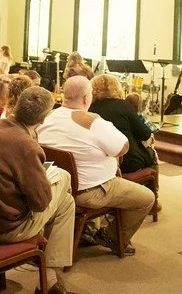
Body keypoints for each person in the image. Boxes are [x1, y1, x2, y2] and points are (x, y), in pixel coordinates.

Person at [0, 87, 85, 294]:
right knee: (65, 184)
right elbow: (40, 204)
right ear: (42, 119)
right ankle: (49, 285)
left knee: (65, 201)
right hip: (7, 228)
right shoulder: (26, 146)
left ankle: (49, 280)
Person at [38, 76, 155, 256]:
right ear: (87, 98)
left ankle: (88, 229)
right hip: (91, 191)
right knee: (146, 198)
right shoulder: (92, 121)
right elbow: (123, 148)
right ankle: (111, 237)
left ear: (63, 94)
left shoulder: (47, 117)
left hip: (56, 188)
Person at [89, 74, 155, 174]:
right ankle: (152, 181)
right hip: (127, 161)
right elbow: (145, 134)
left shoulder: (90, 108)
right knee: (151, 150)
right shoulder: (124, 106)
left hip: (100, 161)